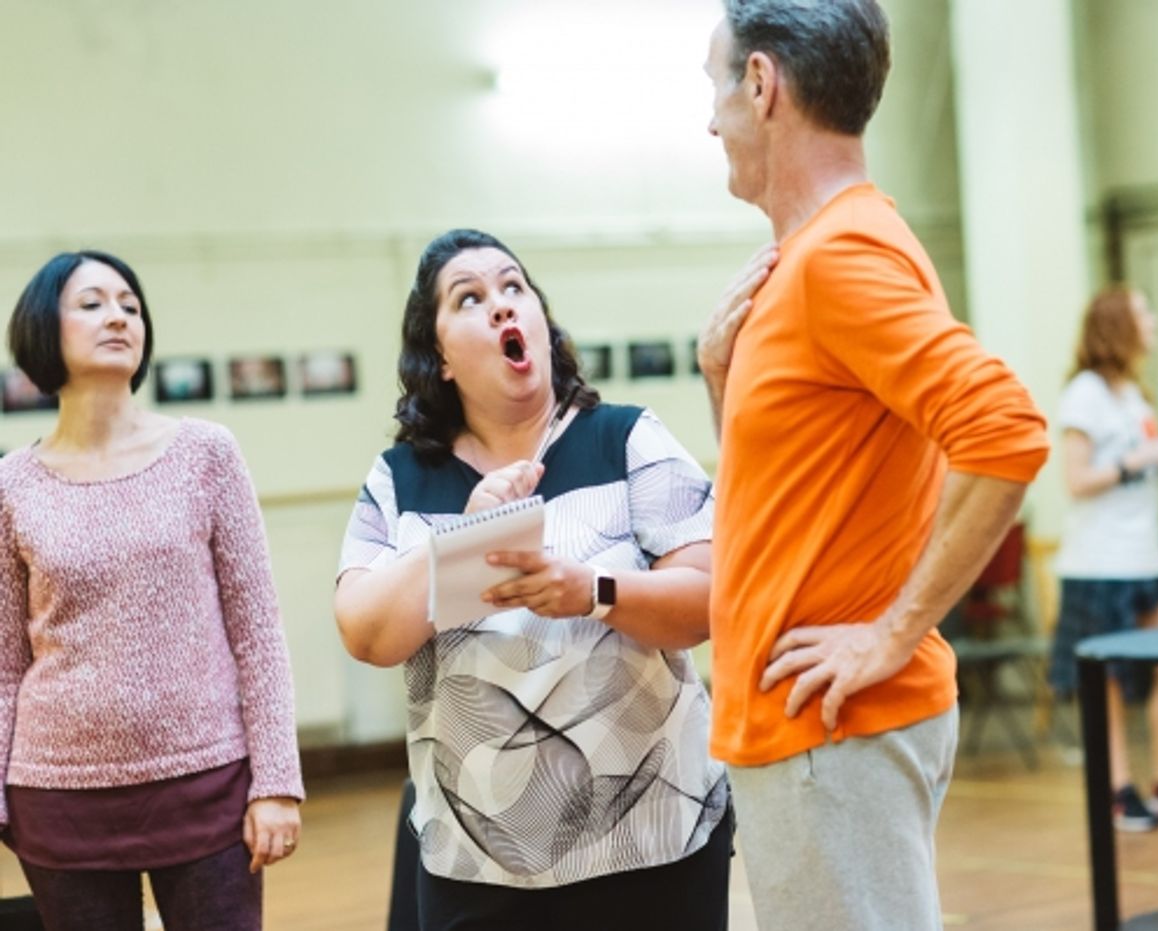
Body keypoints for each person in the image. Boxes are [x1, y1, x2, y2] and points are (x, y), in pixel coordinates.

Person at [699, 3, 1050, 929]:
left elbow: (1006, 429)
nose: (710, 120)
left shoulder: (841, 257)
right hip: (807, 735)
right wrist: (719, 379)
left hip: (832, 734)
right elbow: (782, 498)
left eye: (717, 88)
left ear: (763, 85)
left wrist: (890, 634)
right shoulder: (808, 260)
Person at [333, 229, 731, 931]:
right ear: (442, 358)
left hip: (654, 845)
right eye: (470, 297)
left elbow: (707, 600)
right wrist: (460, 541)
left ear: (541, 324)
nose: (500, 304)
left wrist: (595, 592)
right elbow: (366, 631)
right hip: (477, 863)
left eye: (514, 286)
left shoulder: (628, 439)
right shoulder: (400, 479)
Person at [0, 251, 304, 930]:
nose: (118, 315)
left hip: (208, 782)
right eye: (93, 303)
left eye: (130, 305)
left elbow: (258, 629)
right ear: (44, 329)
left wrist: (278, 782)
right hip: (57, 796)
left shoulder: (207, 452)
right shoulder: (11, 485)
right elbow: (3, 665)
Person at [1048, 286, 1158, 832]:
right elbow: (1076, 481)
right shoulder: (1085, 395)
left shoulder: (1135, 397)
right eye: (1144, 312)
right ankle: (1116, 786)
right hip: (1100, 564)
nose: (1154, 320)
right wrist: (1132, 462)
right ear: (1116, 325)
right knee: (1109, 683)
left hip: (1148, 556)